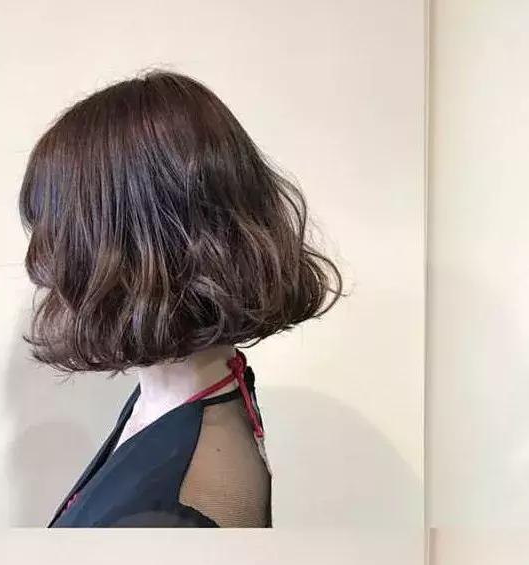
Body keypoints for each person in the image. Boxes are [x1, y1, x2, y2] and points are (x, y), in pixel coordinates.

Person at [19, 71, 342, 527]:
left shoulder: (167, 509)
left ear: (118, 245)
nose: (48, 255)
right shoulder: (182, 397)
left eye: (58, 229)